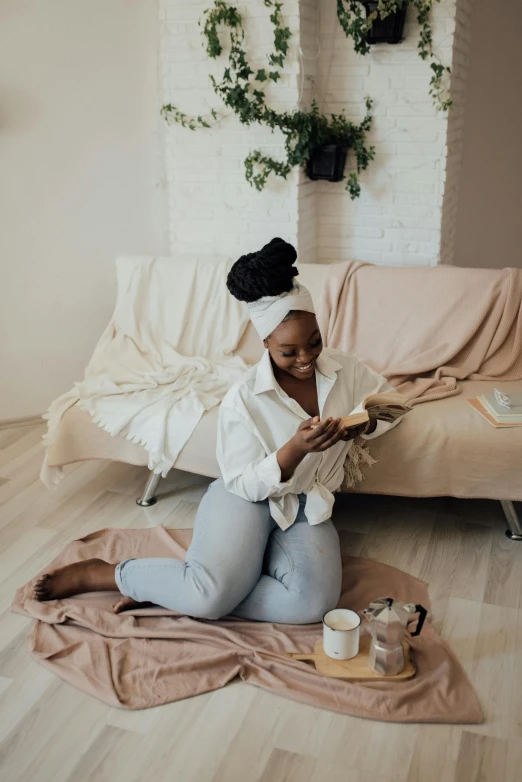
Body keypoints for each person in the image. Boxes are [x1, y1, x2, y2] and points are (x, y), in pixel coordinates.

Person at [34, 238, 399, 623]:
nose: (306, 358)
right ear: (266, 344)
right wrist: (294, 450)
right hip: (244, 498)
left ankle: (180, 590)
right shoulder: (243, 398)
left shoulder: (344, 369)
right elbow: (241, 482)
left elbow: (388, 400)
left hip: (307, 504)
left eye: (314, 342)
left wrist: (368, 423)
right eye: (289, 352)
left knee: (311, 606)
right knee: (209, 598)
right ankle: (110, 574)